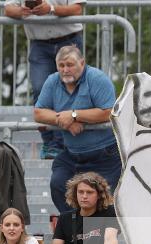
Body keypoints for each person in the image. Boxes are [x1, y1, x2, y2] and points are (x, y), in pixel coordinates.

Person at [34, 46, 121, 214]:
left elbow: (108, 111)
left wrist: (74, 115)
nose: (65, 70)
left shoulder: (97, 78)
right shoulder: (52, 81)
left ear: (82, 63)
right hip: (72, 154)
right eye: (61, 65)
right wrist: (63, 120)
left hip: (105, 155)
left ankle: (96, 236)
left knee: (103, 202)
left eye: (70, 64)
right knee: (58, 183)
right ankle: (74, 231)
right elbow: (38, 112)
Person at [4, 0, 85, 159]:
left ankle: (62, 143)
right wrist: (21, 11)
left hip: (68, 40)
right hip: (39, 45)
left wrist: (52, 9)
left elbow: (77, 9)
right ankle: (50, 143)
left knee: (69, 90)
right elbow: (8, 9)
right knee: (40, 90)